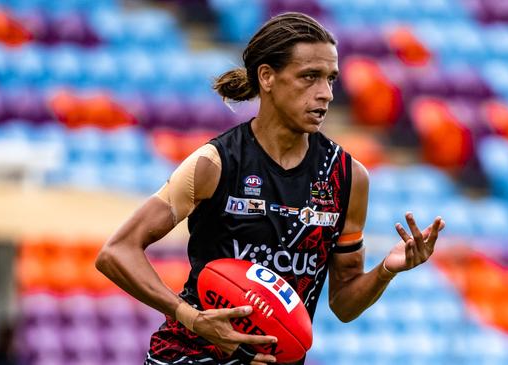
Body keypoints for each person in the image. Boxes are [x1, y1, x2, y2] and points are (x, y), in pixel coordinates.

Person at [95, 11, 445, 365]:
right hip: (190, 355)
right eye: (309, 77)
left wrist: (386, 270)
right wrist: (192, 318)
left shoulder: (348, 177)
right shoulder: (215, 163)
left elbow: (344, 304)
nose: (325, 94)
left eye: (331, 79)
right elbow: (117, 252)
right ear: (267, 77)